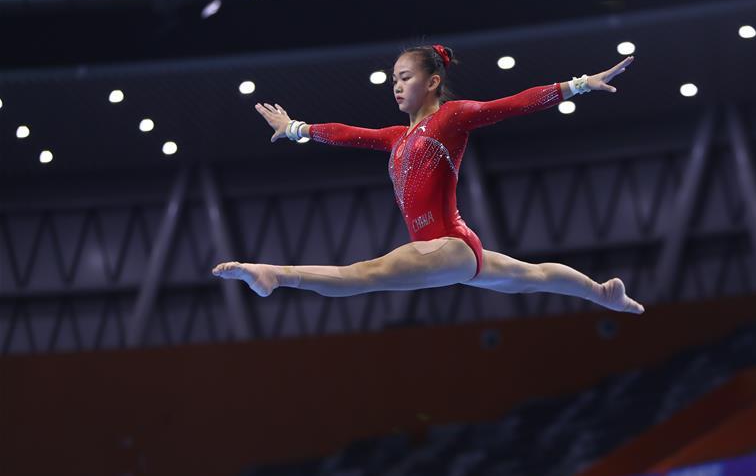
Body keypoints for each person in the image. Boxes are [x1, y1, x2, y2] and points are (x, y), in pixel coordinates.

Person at [212, 43, 644, 315]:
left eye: (405, 78)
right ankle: (599, 293)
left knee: (365, 274)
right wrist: (294, 129)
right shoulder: (397, 137)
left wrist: (579, 85)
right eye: (393, 80)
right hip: (452, 249)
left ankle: (275, 274)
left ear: (433, 81)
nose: (396, 87)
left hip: (448, 247)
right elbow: (345, 133)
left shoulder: (450, 119)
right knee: (534, 277)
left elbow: (514, 103)